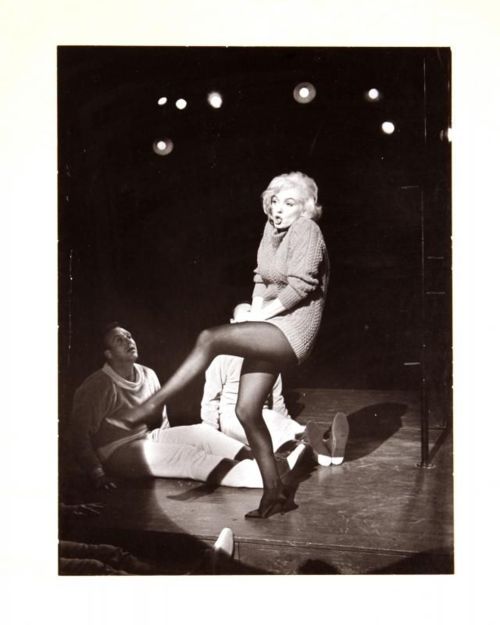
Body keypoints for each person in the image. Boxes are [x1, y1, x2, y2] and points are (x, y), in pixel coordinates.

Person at [109, 172, 331, 519]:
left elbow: (301, 287)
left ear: (304, 208)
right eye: (274, 201)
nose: (278, 209)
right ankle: (275, 494)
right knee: (246, 411)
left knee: (209, 338)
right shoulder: (271, 230)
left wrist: (259, 317)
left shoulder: (307, 229)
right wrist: (255, 313)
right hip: (272, 324)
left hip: (295, 328)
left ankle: (150, 404)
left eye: (289, 203)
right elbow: (261, 278)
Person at [71, 324, 305, 491]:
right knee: (186, 456)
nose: (128, 341)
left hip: (146, 437)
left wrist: (169, 440)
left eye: (129, 336)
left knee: (200, 433)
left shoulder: (147, 373)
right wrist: (97, 473)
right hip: (116, 452)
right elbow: (78, 435)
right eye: (119, 340)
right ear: (108, 354)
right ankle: (257, 478)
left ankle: (267, 462)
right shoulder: (97, 386)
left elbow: (161, 418)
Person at [201, 303, 350, 466]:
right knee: (270, 432)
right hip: (233, 417)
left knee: (284, 425)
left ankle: (324, 450)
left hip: (262, 413)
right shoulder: (222, 358)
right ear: (232, 324)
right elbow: (211, 397)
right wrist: (210, 431)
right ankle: (310, 444)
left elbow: (277, 399)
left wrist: (286, 420)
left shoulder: (267, 359)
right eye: (242, 325)